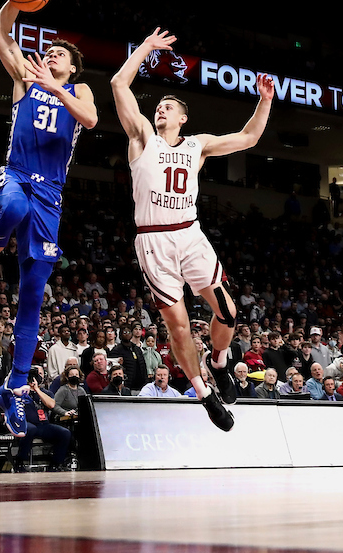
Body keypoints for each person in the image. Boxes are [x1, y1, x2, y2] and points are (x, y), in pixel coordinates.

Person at [0, 0, 97, 440]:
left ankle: (15, 384)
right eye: (48, 52)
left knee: (32, 293)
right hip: (13, 175)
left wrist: (56, 87)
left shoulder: (79, 92)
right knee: (12, 208)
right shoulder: (23, 75)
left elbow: (88, 117)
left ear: (72, 67)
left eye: (60, 55)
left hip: (51, 195)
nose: (50, 57)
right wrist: (15, 0)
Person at [112, 27, 274, 432]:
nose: (161, 110)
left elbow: (249, 137)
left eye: (169, 106)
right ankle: (204, 393)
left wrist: (265, 100)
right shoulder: (142, 137)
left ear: (183, 118)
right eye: (160, 106)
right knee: (177, 324)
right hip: (153, 240)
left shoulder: (196, 145)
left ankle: (218, 362)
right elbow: (118, 82)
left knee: (229, 312)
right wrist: (146, 47)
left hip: (189, 234)